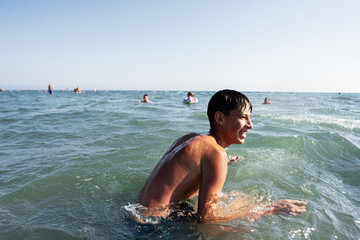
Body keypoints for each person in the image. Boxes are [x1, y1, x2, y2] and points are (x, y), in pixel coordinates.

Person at [138, 89, 306, 223]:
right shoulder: (216, 152)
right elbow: (208, 219)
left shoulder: (190, 138)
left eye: (250, 118)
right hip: (155, 229)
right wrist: (269, 209)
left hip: (138, 216)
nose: (250, 125)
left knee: (233, 195)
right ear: (219, 118)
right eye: (243, 117)